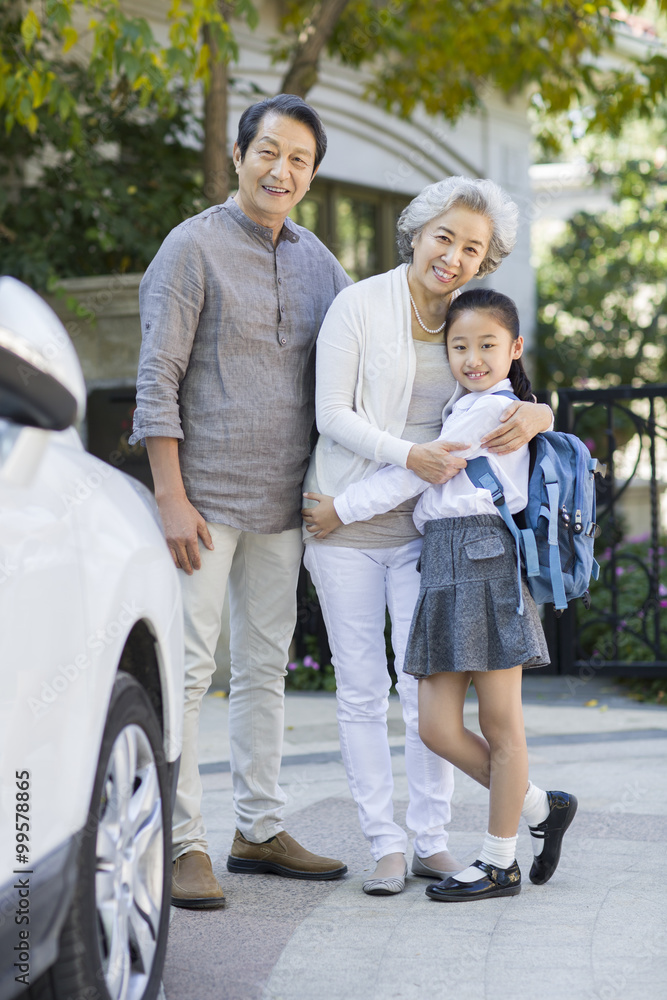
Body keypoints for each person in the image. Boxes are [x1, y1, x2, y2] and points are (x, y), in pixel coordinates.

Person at [301, 177, 554, 896]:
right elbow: (330, 413)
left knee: (425, 702)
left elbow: (505, 391)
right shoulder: (359, 304)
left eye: (471, 248)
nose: (452, 255)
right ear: (416, 231)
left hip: (426, 531)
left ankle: (432, 841)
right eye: (444, 236)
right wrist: (404, 457)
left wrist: (539, 415)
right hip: (345, 515)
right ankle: (386, 844)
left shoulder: (474, 324)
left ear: (484, 262)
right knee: (358, 691)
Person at [130, 94, 352, 909]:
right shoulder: (190, 247)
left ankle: (258, 827)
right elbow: (156, 375)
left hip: (285, 505)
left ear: (311, 174)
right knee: (185, 674)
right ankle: (180, 840)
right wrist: (169, 494)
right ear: (237, 153)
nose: (280, 169)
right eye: (268, 150)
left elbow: (367, 349)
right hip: (203, 504)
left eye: (298, 159)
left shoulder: (319, 261)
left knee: (266, 670)